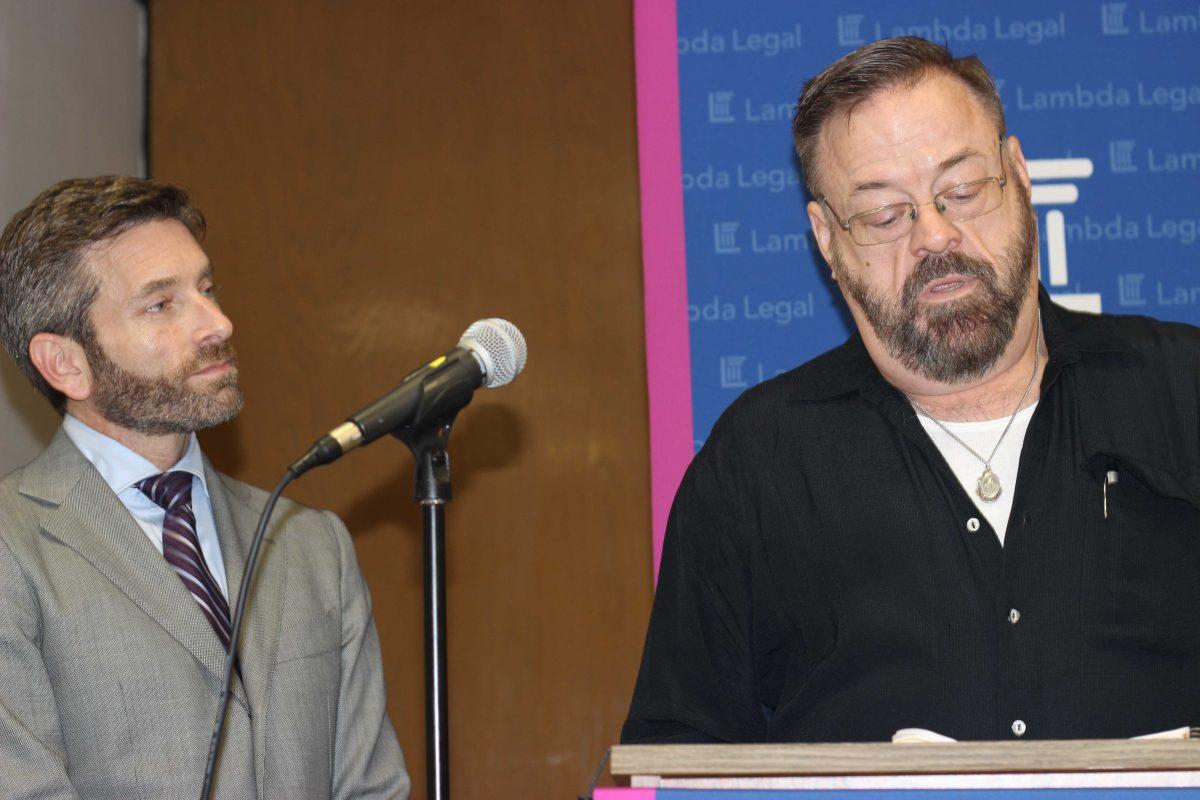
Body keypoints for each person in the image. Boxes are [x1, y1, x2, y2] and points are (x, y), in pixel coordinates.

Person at [622, 37, 1200, 744]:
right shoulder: (759, 464)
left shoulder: (1182, 390)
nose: (934, 233)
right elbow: (677, 752)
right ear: (827, 241)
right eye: (885, 215)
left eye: (960, 190)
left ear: (1019, 178)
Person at [0, 176, 410, 798]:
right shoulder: (13, 544)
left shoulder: (311, 545)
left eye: (207, 288)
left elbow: (371, 788)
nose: (218, 323)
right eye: (161, 304)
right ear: (65, 363)